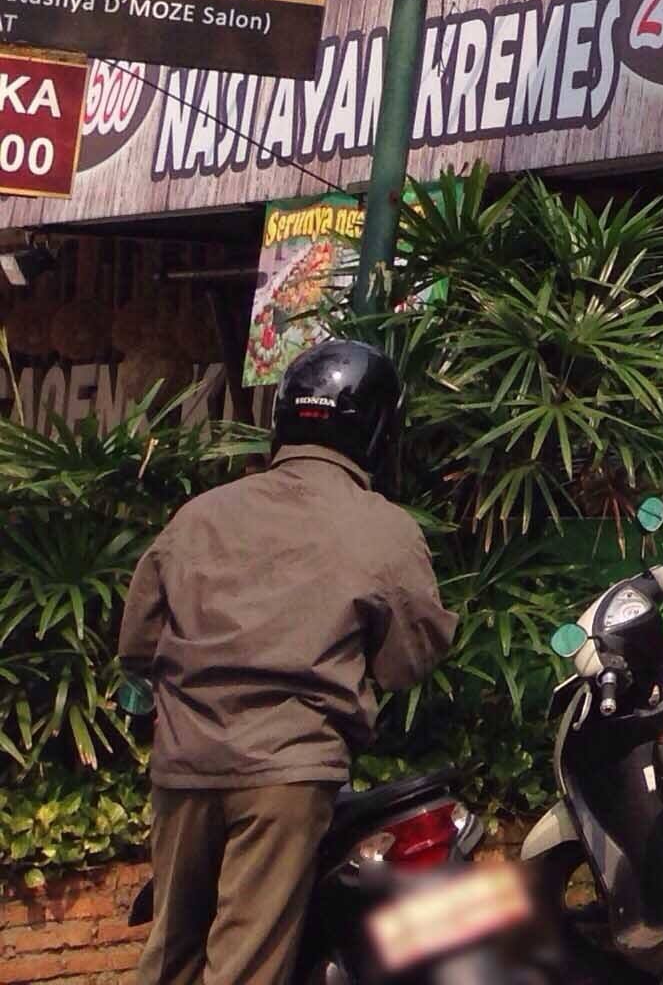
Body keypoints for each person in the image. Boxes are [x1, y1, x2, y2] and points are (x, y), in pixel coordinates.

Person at [118, 337, 452, 985]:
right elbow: (410, 659)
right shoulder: (380, 526)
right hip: (287, 772)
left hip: (185, 767)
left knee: (171, 957)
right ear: (380, 430)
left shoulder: (200, 516)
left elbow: (138, 643)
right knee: (244, 965)